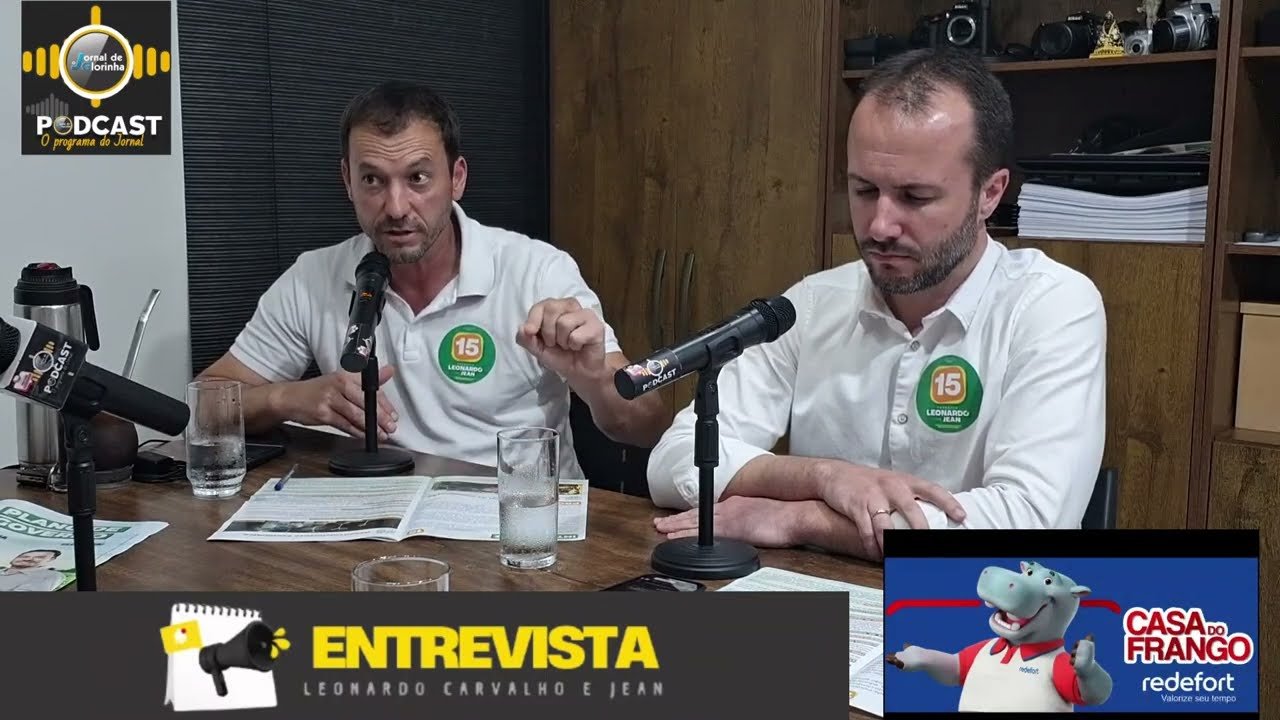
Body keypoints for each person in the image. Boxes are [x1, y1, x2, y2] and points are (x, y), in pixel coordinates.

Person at [647, 47, 1107, 561]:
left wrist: (803, 518)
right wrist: (823, 477)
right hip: (818, 597)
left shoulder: (1051, 306)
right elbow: (672, 460)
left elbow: (1029, 523)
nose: (880, 226)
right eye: (865, 190)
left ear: (990, 193)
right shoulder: (814, 304)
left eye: (915, 197)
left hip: (975, 602)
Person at [198, 80, 668, 478]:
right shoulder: (314, 276)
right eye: (372, 180)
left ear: (456, 178)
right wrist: (286, 398)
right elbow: (203, 409)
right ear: (347, 181)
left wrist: (593, 378)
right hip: (379, 519)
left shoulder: (538, 271)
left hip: (519, 523)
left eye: (418, 178)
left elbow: (648, 426)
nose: (396, 207)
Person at [0, 549, 66, 591]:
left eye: (39, 557)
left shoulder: (50, 575)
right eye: (24, 556)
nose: (28, 559)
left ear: (51, 559)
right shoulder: (2, 571)